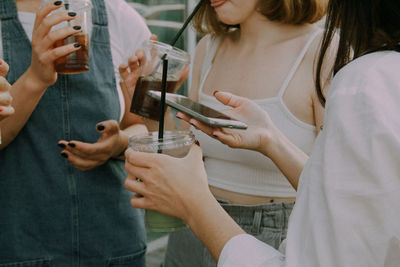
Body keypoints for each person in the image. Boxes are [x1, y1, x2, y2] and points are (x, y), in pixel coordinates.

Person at [124, 0, 400, 266]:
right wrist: (153, 114)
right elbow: (188, 156)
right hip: (191, 234)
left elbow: (338, 197)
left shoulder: (327, 53)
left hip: (274, 238)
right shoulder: (208, 48)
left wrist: (270, 141)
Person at [0, 0, 151, 265]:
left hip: (114, 244)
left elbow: (143, 126)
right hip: (20, 244)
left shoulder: (121, 18)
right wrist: (36, 77)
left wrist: (118, 144)